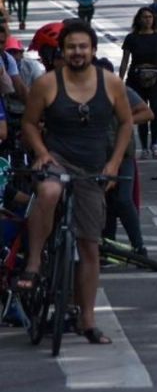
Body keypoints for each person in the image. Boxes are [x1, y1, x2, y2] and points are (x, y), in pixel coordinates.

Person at [18, 22, 133, 345]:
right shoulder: (47, 84)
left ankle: (87, 320)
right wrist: (41, 153)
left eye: (83, 47)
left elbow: (126, 123)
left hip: (93, 168)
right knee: (50, 190)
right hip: (57, 159)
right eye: (71, 47)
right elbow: (28, 123)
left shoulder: (110, 83)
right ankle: (35, 261)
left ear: (93, 50)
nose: (77, 52)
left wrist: (113, 164)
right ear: (62, 51)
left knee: (89, 246)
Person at [96, 58, 152, 257]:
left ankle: (138, 246)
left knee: (123, 200)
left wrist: (126, 120)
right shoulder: (87, 94)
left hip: (123, 155)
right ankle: (107, 246)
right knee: (105, 202)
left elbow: (147, 113)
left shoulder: (123, 92)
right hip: (98, 158)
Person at [119, 7, 157, 159]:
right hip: (136, 78)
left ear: (154, 19)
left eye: (150, 17)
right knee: (142, 112)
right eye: (144, 17)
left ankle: (155, 143)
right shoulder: (131, 38)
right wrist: (119, 81)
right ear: (139, 19)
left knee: (155, 111)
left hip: (156, 78)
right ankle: (144, 146)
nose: (147, 20)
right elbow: (125, 61)